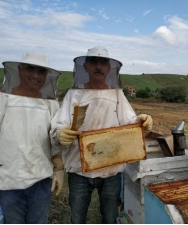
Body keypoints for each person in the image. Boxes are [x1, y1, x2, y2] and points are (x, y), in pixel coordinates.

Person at [50, 46, 153, 223]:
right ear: (85, 67)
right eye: (94, 62)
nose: (99, 66)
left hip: (111, 169)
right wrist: (59, 133)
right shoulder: (73, 94)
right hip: (79, 169)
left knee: (109, 216)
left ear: (109, 68)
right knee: (77, 217)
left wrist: (141, 121)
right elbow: (59, 124)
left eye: (103, 63)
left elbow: (129, 121)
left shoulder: (117, 94)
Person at [0, 51, 64, 223]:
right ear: (19, 70)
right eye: (30, 69)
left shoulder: (51, 104)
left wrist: (59, 168)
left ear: (47, 76)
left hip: (40, 179)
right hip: (7, 180)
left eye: (41, 71)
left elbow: (56, 138)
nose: (35, 75)